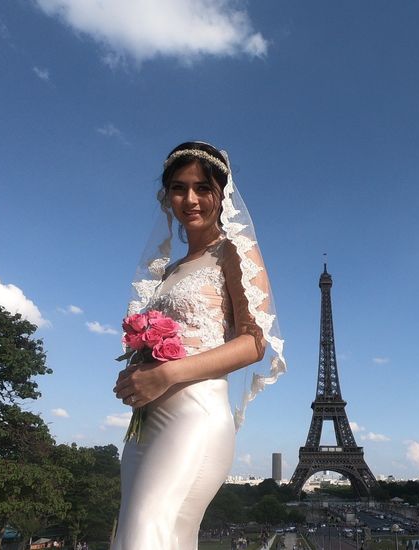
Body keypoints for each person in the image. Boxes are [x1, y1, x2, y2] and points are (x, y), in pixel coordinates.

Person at [111, 141, 287, 549]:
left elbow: (254, 343)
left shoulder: (234, 252)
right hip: (146, 424)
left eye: (202, 187)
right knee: (144, 535)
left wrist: (167, 373)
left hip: (194, 415)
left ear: (222, 194)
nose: (189, 199)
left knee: (147, 533)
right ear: (166, 195)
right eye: (178, 187)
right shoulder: (170, 269)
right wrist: (138, 371)